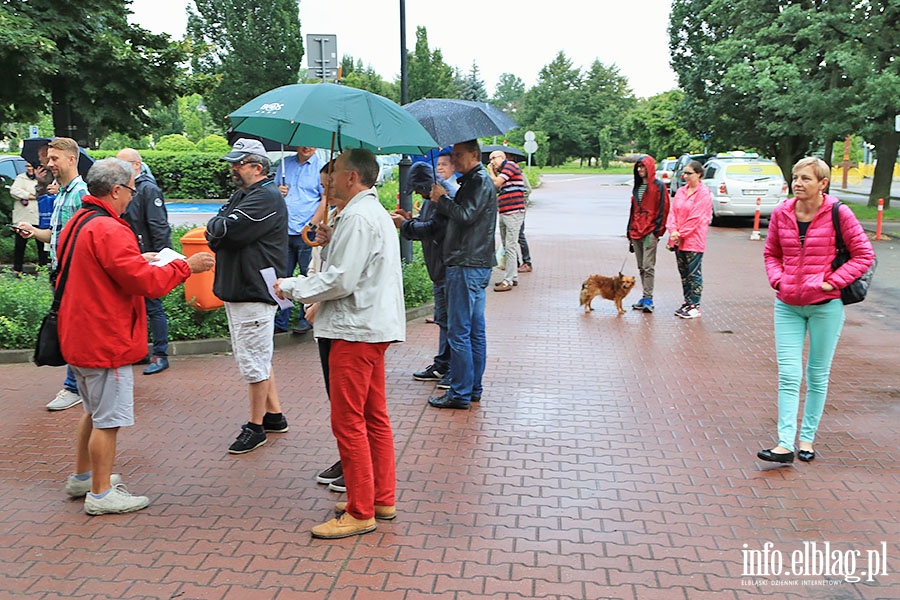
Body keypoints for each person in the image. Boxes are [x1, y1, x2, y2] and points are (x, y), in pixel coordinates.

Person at [57, 158, 215, 515]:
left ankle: (84, 477)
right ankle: (100, 493)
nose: (133, 195)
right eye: (131, 188)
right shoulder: (111, 229)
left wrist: (138, 258)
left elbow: (101, 268)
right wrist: (185, 267)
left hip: (79, 331)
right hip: (105, 336)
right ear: (116, 190)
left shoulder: (79, 222)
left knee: (93, 411)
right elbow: (146, 284)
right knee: (108, 419)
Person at [275, 148, 405, 539]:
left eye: (332, 176)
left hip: (354, 328)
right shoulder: (363, 214)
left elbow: (341, 281)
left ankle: (361, 509)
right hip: (369, 327)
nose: (325, 182)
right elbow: (351, 269)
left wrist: (291, 286)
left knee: (349, 421)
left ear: (351, 178)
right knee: (372, 417)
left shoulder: (358, 218)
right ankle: (379, 497)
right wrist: (331, 240)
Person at [758, 157, 875, 464]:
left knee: (817, 375)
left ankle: (806, 438)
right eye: (796, 177)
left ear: (823, 183)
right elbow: (771, 253)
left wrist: (832, 282)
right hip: (787, 306)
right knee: (788, 375)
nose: (798, 183)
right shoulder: (782, 212)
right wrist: (778, 280)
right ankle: (785, 443)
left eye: (806, 178)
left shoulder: (839, 213)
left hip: (825, 307)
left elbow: (864, 255)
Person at [206, 139, 289, 455]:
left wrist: (218, 227)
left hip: (254, 289)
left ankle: (255, 427)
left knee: (253, 359)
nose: (232, 168)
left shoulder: (264, 198)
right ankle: (274, 415)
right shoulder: (247, 195)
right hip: (243, 287)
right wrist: (218, 227)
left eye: (238, 163)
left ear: (257, 167)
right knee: (258, 354)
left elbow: (223, 230)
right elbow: (218, 227)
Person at [15, 138, 88, 411]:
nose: (49, 164)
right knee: (70, 327)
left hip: (72, 274)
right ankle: (81, 382)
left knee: (71, 328)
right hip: (60, 272)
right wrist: (32, 232)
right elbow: (56, 236)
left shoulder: (81, 193)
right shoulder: (63, 194)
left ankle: (73, 387)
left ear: (71, 159)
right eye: (48, 159)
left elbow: (86, 236)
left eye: (55, 159)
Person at [427, 140, 497, 409]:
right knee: (473, 331)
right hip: (473, 263)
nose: (454, 161)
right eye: (452, 156)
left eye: (458, 156)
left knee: (460, 331)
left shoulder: (477, 181)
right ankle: (472, 388)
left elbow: (465, 215)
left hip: (466, 264)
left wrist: (442, 199)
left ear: (475, 155)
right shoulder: (474, 180)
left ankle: (460, 393)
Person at [391, 162, 452, 389]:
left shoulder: (443, 197)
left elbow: (435, 228)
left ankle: (450, 368)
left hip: (446, 268)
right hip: (438, 268)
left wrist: (406, 225)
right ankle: (443, 364)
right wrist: (409, 220)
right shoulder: (431, 199)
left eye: (417, 188)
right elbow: (426, 225)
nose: (417, 193)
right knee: (444, 320)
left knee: (452, 323)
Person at [116, 148, 173, 375]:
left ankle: (160, 354)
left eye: (123, 165)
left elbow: (159, 225)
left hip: (148, 256)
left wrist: (161, 258)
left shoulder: (148, 190)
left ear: (136, 166)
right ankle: (139, 351)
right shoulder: (128, 189)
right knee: (134, 306)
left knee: (153, 306)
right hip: (134, 254)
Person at [275, 146, 324, 335]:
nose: (307, 147)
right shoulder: (285, 164)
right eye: (304, 142)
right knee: (283, 275)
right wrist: (279, 191)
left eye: (312, 143)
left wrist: (312, 225)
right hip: (285, 229)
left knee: (308, 274)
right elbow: (274, 191)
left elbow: (325, 198)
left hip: (307, 231)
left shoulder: (321, 167)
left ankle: (306, 318)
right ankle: (281, 321)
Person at [666, 160, 712, 319]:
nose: (684, 176)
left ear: (699, 174)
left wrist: (680, 233)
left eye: (688, 173)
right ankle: (687, 301)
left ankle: (695, 305)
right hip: (678, 239)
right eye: (683, 173)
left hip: (693, 240)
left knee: (694, 273)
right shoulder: (681, 191)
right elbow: (672, 212)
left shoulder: (704, 193)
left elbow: (697, 217)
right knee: (684, 272)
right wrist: (672, 230)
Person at [627, 155, 669, 313]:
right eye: (638, 167)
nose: (640, 170)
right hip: (636, 230)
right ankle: (644, 296)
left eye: (643, 167)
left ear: (649, 167)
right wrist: (629, 230)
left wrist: (657, 231)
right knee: (641, 266)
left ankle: (648, 297)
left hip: (650, 231)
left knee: (648, 265)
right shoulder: (637, 187)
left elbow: (664, 209)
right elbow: (633, 210)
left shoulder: (659, 186)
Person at [487, 149, 527, 292]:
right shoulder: (504, 172)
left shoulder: (510, 165)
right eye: (490, 159)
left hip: (513, 213)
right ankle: (513, 276)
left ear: (502, 157)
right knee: (506, 245)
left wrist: (491, 172)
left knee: (510, 246)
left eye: (494, 158)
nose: (492, 162)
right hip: (505, 212)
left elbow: (496, 183)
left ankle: (508, 280)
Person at [9, 164, 49, 272]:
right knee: (20, 245)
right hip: (23, 217)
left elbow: (44, 193)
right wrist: (30, 196)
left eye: (32, 167)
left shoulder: (44, 179)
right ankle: (17, 269)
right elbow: (14, 191)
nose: (29, 169)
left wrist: (25, 193)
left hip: (38, 216)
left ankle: (43, 270)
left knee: (42, 246)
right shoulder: (20, 178)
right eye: (27, 166)